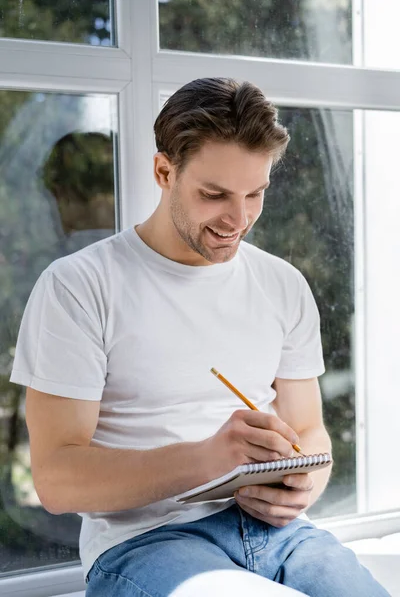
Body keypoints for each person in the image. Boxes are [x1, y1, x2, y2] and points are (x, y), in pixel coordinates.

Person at [10, 78, 389, 597]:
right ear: (164, 172)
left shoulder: (282, 285)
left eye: (255, 193)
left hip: (277, 534)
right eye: (214, 195)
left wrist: (302, 486)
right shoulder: (79, 287)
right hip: (144, 542)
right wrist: (210, 458)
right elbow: (56, 479)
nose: (239, 220)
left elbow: (310, 431)